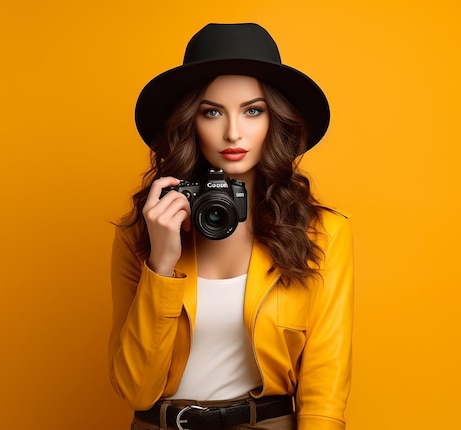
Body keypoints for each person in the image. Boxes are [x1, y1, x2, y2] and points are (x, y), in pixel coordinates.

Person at [108, 23, 354, 430]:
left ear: (275, 121)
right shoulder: (141, 232)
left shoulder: (322, 233)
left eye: (253, 110)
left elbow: (325, 390)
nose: (233, 132)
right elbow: (135, 390)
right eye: (212, 111)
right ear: (190, 121)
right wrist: (162, 264)